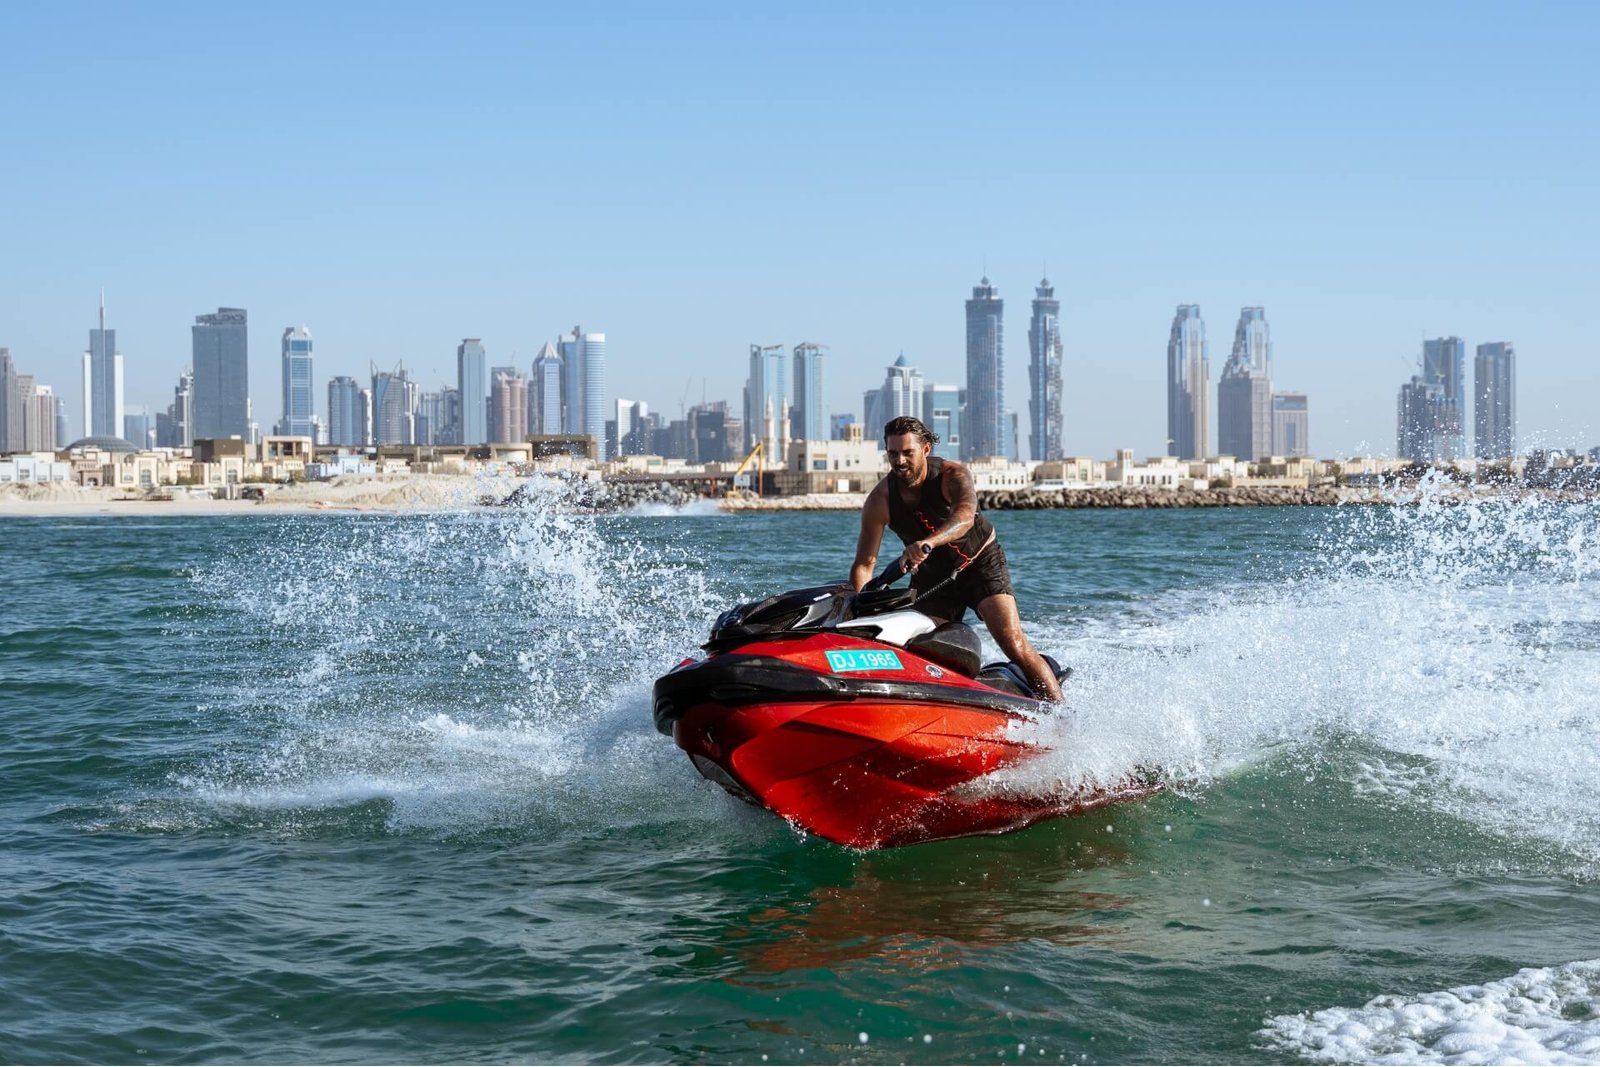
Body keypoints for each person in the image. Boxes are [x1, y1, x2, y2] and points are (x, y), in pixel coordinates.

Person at [850, 415, 1063, 702]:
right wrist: (861, 607)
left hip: (980, 563)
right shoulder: (881, 500)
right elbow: (865, 565)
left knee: (1013, 641)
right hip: (934, 576)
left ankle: (1061, 714)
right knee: (917, 647)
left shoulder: (952, 475)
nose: (899, 461)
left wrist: (928, 542)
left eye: (907, 453)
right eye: (893, 453)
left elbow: (964, 517)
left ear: (925, 449)